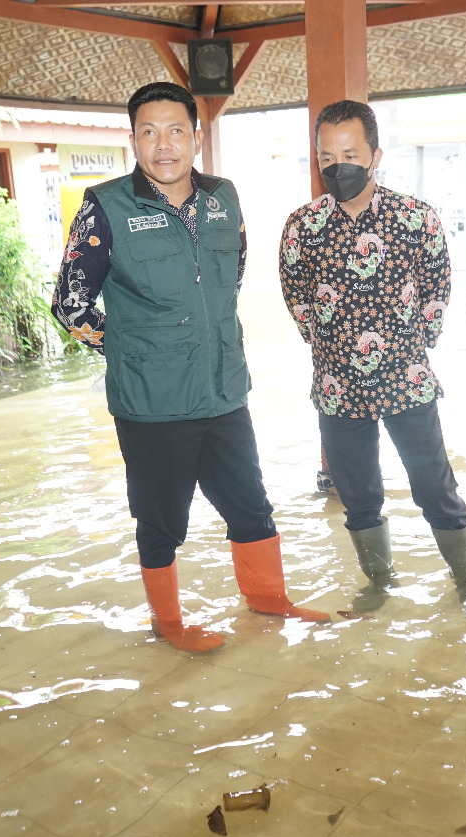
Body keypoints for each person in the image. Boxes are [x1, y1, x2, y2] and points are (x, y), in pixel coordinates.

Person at [51, 82, 329, 653]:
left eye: (176, 130)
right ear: (133, 139)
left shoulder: (223, 196)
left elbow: (231, 275)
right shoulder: (105, 207)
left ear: (196, 137)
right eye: (148, 132)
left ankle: (269, 598)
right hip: (152, 402)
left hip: (224, 389)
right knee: (161, 520)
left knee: (250, 502)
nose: (163, 145)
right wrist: (132, 349)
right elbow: (70, 305)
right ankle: (168, 622)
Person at [278, 99, 466, 610]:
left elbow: (437, 289)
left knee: (435, 486)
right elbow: (296, 297)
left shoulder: (415, 218)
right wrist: (329, 347)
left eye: (348, 152)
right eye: (325, 157)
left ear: (375, 154)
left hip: (407, 380)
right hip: (337, 388)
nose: (335, 165)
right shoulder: (302, 227)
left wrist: (414, 346)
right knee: (358, 498)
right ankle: (379, 585)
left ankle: (465, 582)